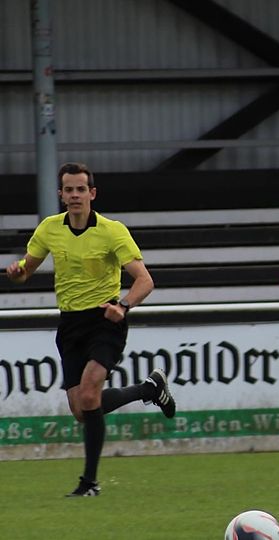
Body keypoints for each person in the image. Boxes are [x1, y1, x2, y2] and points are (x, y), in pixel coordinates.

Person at [4, 162, 176, 497]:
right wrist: (17, 273)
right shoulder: (49, 229)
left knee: (89, 392)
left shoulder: (112, 231)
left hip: (105, 319)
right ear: (60, 194)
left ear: (92, 193)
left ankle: (89, 484)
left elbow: (145, 280)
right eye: (68, 189)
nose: (74, 195)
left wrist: (122, 306)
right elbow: (27, 270)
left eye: (80, 189)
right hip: (70, 324)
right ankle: (149, 389)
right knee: (83, 410)